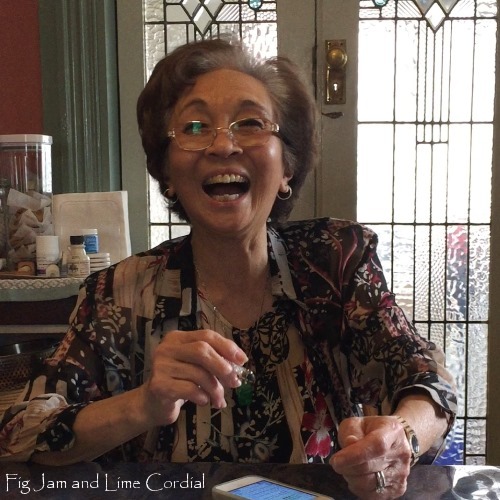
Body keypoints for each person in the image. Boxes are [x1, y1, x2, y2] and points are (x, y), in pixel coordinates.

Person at [0, 38, 457, 499]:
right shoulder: (117, 293)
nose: (223, 145)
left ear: (287, 168)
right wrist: (143, 404)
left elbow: (426, 379)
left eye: (251, 123)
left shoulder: (336, 261)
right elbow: (20, 434)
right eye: (195, 127)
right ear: (167, 174)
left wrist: (402, 437)